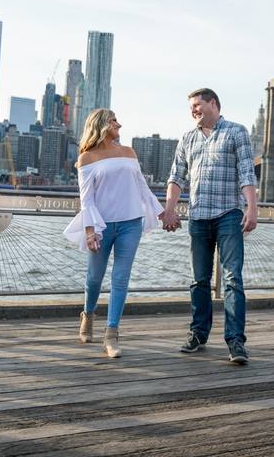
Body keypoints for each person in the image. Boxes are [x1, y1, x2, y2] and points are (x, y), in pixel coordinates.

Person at [162, 88, 257, 365]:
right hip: (198, 216)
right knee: (199, 280)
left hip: (229, 214)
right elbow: (176, 177)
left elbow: (246, 173)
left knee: (232, 279)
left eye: (197, 105)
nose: (193, 110)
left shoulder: (236, 132)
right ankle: (198, 334)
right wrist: (169, 210)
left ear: (213, 103)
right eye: (191, 106)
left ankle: (236, 341)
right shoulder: (187, 138)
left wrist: (252, 207)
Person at [64, 109, 164, 358]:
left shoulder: (129, 152)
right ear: (101, 125)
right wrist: (90, 231)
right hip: (102, 226)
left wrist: (162, 213)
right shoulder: (87, 158)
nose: (119, 123)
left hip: (131, 223)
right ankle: (88, 315)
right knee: (94, 278)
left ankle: (111, 334)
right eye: (113, 120)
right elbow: (86, 200)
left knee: (120, 278)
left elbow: (142, 186)